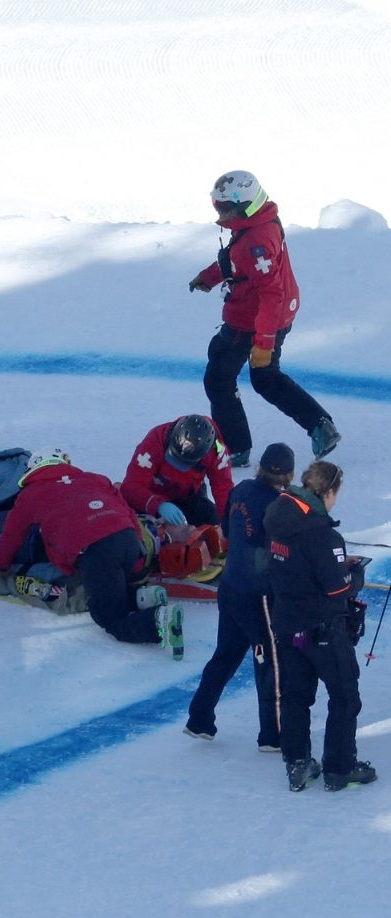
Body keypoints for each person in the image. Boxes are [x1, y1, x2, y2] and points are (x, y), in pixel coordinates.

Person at [190, 170, 340, 467]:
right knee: (265, 378)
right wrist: (209, 277)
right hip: (271, 313)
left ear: (242, 205)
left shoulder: (255, 241)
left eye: (222, 207)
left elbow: (270, 293)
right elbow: (236, 262)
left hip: (253, 319)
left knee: (219, 379)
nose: (218, 212)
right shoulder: (258, 221)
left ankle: (234, 448)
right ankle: (320, 425)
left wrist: (263, 344)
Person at [0, 448, 185, 658]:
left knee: (109, 617)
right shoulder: (95, 479)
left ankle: (158, 622)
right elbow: (128, 513)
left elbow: (11, 537)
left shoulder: (30, 494)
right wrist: (136, 557)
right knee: (113, 583)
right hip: (127, 539)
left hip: (94, 550)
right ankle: (143, 597)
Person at [264, 460, 375, 792]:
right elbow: (338, 588)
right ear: (329, 491)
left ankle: (297, 764)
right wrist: (355, 574)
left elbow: (297, 563)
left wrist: (335, 564)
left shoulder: (278, 517)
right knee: (344, 696)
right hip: (323, 629)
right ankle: (340, 768)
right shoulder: (324, 536)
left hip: (287, 625)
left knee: (296, 696)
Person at [184, 442, 296, 750]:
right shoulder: (280, 505)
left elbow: (230, 532)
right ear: (288, 474)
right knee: (268, 662)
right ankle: (272, 736)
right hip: (257, 597)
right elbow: (281, 552)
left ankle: (199, 718)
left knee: (225, 656)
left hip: (230, 588)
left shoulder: (243, 490)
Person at [121, 414, 234, 527]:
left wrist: (228, 527)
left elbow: (223, 489)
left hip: (189, 497)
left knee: (212, 521)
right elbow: (130, 486)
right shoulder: (154, 441)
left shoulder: (217, 451)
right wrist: (158, 504)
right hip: (151, 495)